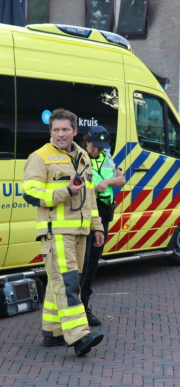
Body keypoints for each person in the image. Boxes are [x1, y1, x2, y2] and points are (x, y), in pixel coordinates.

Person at [22, 109, 105, 355]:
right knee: (69, 283)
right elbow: (30, 193)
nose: (60, 134)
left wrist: (96, 226)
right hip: (55, 232)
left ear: (74, 131)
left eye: (65, 129)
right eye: (56, 130)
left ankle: (53, 332)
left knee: (59, 281)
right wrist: (65, 192)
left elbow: (90, 196)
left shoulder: (83, 156)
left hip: (79, 231)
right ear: (50, 132)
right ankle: (78, 336)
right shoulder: (39, 157)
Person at [79, 126, 126, 327]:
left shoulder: (107, 157)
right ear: (86, 141)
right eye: (93, 145)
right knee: (82, 263)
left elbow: (121, 179)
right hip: (86, 214)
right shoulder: (79, 158)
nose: (96, 149)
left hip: (103, 214)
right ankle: (76, 309)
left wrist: (107, 181)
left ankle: (85, 305)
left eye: (100, 146)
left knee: (93, 262)